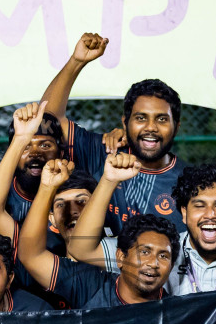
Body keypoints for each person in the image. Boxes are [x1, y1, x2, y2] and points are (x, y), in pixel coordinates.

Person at [38, 34, 187, 227]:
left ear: (177, 127)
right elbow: (48, 121)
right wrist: (77, 62)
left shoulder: (188, 181)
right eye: (141, 118)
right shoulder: (101, 153)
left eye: (162, 119)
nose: (151, 127)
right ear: (125, 123)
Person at [19, 157, 177, 308]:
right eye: (144, 251)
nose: (153, 263)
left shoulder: (179, 312)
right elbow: (31, 255)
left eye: (163, 256)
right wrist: (47, 187)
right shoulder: (90, 286)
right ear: (120, 257)